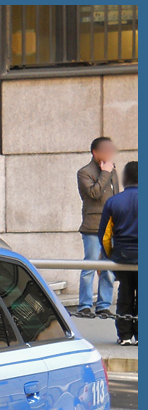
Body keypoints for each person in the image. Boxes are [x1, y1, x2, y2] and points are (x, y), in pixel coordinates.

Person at [76, 136, 121, 318]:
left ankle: (104, 305)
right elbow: (94, 193)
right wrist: (105, 173)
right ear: (95, 152)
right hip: (93, 226)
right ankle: (84, 305)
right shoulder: (84, 172)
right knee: (90, 265)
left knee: (109, 268)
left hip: (112, 226)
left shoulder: (112, 171)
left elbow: (116, 197)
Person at [99, 161, 138, 345]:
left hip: (122, 256)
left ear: (125, 179)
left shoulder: (113, 202)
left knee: (125, 294)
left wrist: (110, 256)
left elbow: (105, 236)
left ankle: (124, 336)